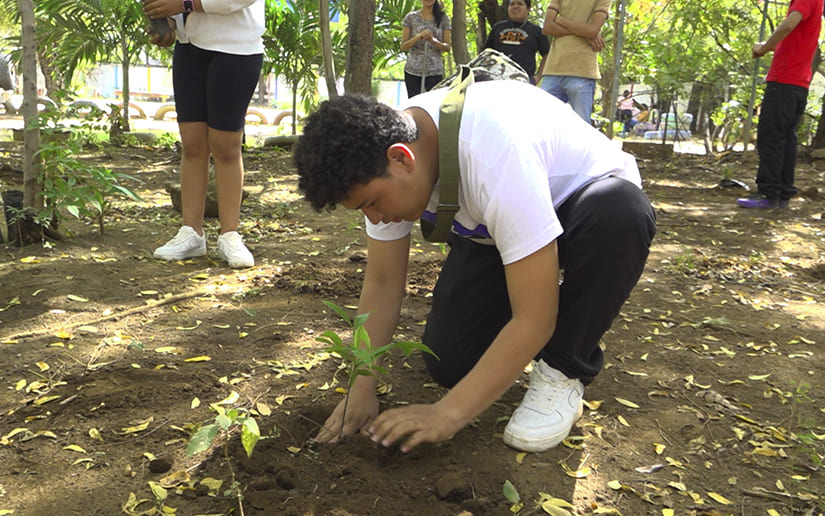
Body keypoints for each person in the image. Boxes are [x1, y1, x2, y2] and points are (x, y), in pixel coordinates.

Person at [293, 80, 656, 453]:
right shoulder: (381, 160)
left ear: (401, 158)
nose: (375, 217)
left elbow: (534, 319)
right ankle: (537, 286)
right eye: (363, 210)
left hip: (584, 210)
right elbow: (384, 282)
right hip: (497, 231)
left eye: (372, 203)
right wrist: (362, 385)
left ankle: (564, 366)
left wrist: (447, 415)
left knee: (618, 214)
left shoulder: (494, 153)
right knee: (452, 363)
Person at [144, 0, 264, 267]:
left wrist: (185, 4)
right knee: (193, 144)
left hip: (235, 48)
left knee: (225, 146)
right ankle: (191, 233)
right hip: (189, 49)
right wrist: (168, 21)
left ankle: (230, 234)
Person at [737, 0, 823, 209]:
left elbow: (788, 25)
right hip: (798, 82)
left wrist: (764, 48)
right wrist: (770, 46)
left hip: (784, 81)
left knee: (771, 136)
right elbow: (793, 35)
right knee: (786, 138)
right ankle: (782, 193)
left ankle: (767, 192)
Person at [538, 0, 611, 123]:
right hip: (553, 70)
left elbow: (592, 30)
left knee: (582, 128)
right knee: (542, 125)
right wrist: (584, 33)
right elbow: (547, 27)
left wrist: (561, 20)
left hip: (582, 72)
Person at [483, 0, 550, 84]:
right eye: (512, 4)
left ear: (528, 8)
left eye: (520, 4)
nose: (515, 6)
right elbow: (486, 53)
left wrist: (538, 77)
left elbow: (547, 54)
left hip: (524, 81)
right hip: (497, 80)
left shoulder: (536, 31)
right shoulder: (498, 27)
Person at [401, 0, 452, 98]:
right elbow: (403, 46)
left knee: (432, 104)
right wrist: (418, 36)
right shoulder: (411, 17)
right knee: (414, 102)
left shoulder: (443, 18)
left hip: (435, 71)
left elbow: (447, 47)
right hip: (413, 71)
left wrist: (432, 40)